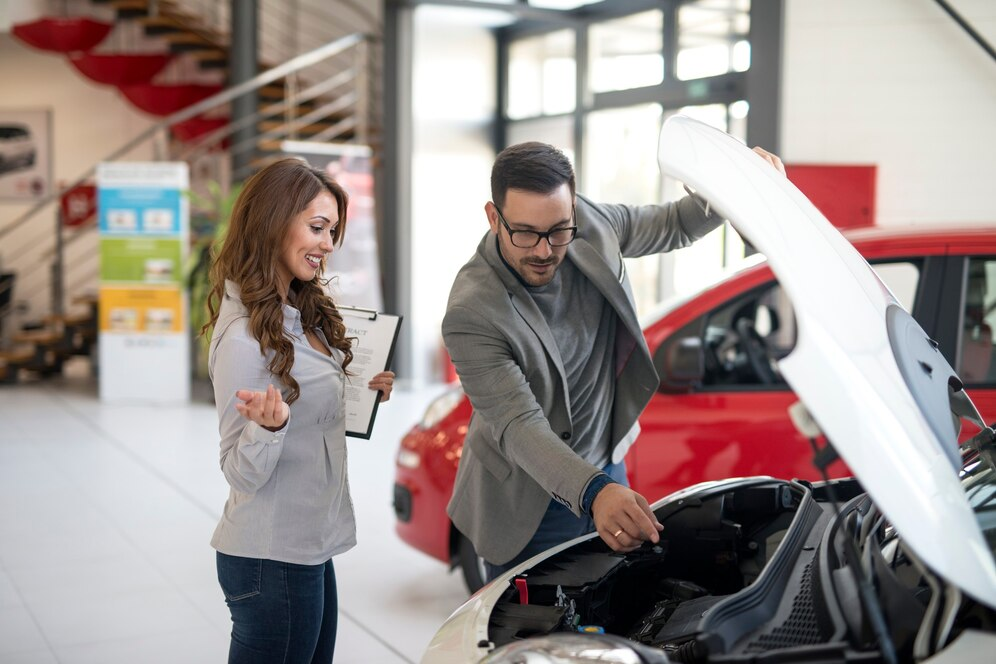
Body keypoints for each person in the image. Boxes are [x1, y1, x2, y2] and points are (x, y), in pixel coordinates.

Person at [443, 140, 785, 581]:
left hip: (606, 463)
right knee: (541, 642)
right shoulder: (472, 311)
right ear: (494, 218)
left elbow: (676, 223)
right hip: (529, 498)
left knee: (606, 614)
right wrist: (595, 492)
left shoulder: (590, 222)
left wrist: (733, 179)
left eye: (559, 230)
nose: (545, 250)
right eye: (525, 233)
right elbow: (517, 424)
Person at [202, 157, 395, 663]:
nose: (328, 245)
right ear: (272, 224)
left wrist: (358, 391)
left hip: (307, 545)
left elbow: (310, 401)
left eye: (332, 230)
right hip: (271, 557)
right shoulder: (244, 339)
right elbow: (239, 472)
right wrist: (270, 428)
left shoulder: (298, 310)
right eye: (317, 228)